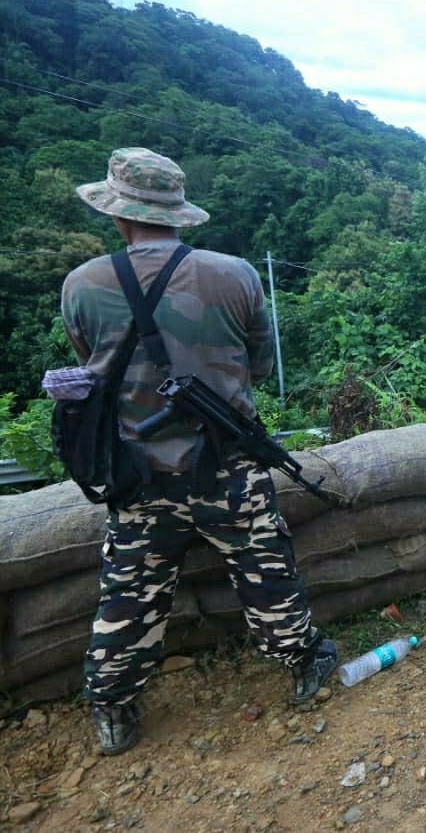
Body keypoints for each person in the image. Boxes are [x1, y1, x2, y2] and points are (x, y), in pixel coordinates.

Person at [63, 147, 337, 756]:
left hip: (133, 474)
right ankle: (302, 664)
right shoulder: (234, 273)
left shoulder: (81, 285)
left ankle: (112, 707)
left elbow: (93, 372)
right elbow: (260, 366)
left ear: (117, 213)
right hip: (228, 468)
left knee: (129, 590)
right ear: (178, 212)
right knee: (266, 570)